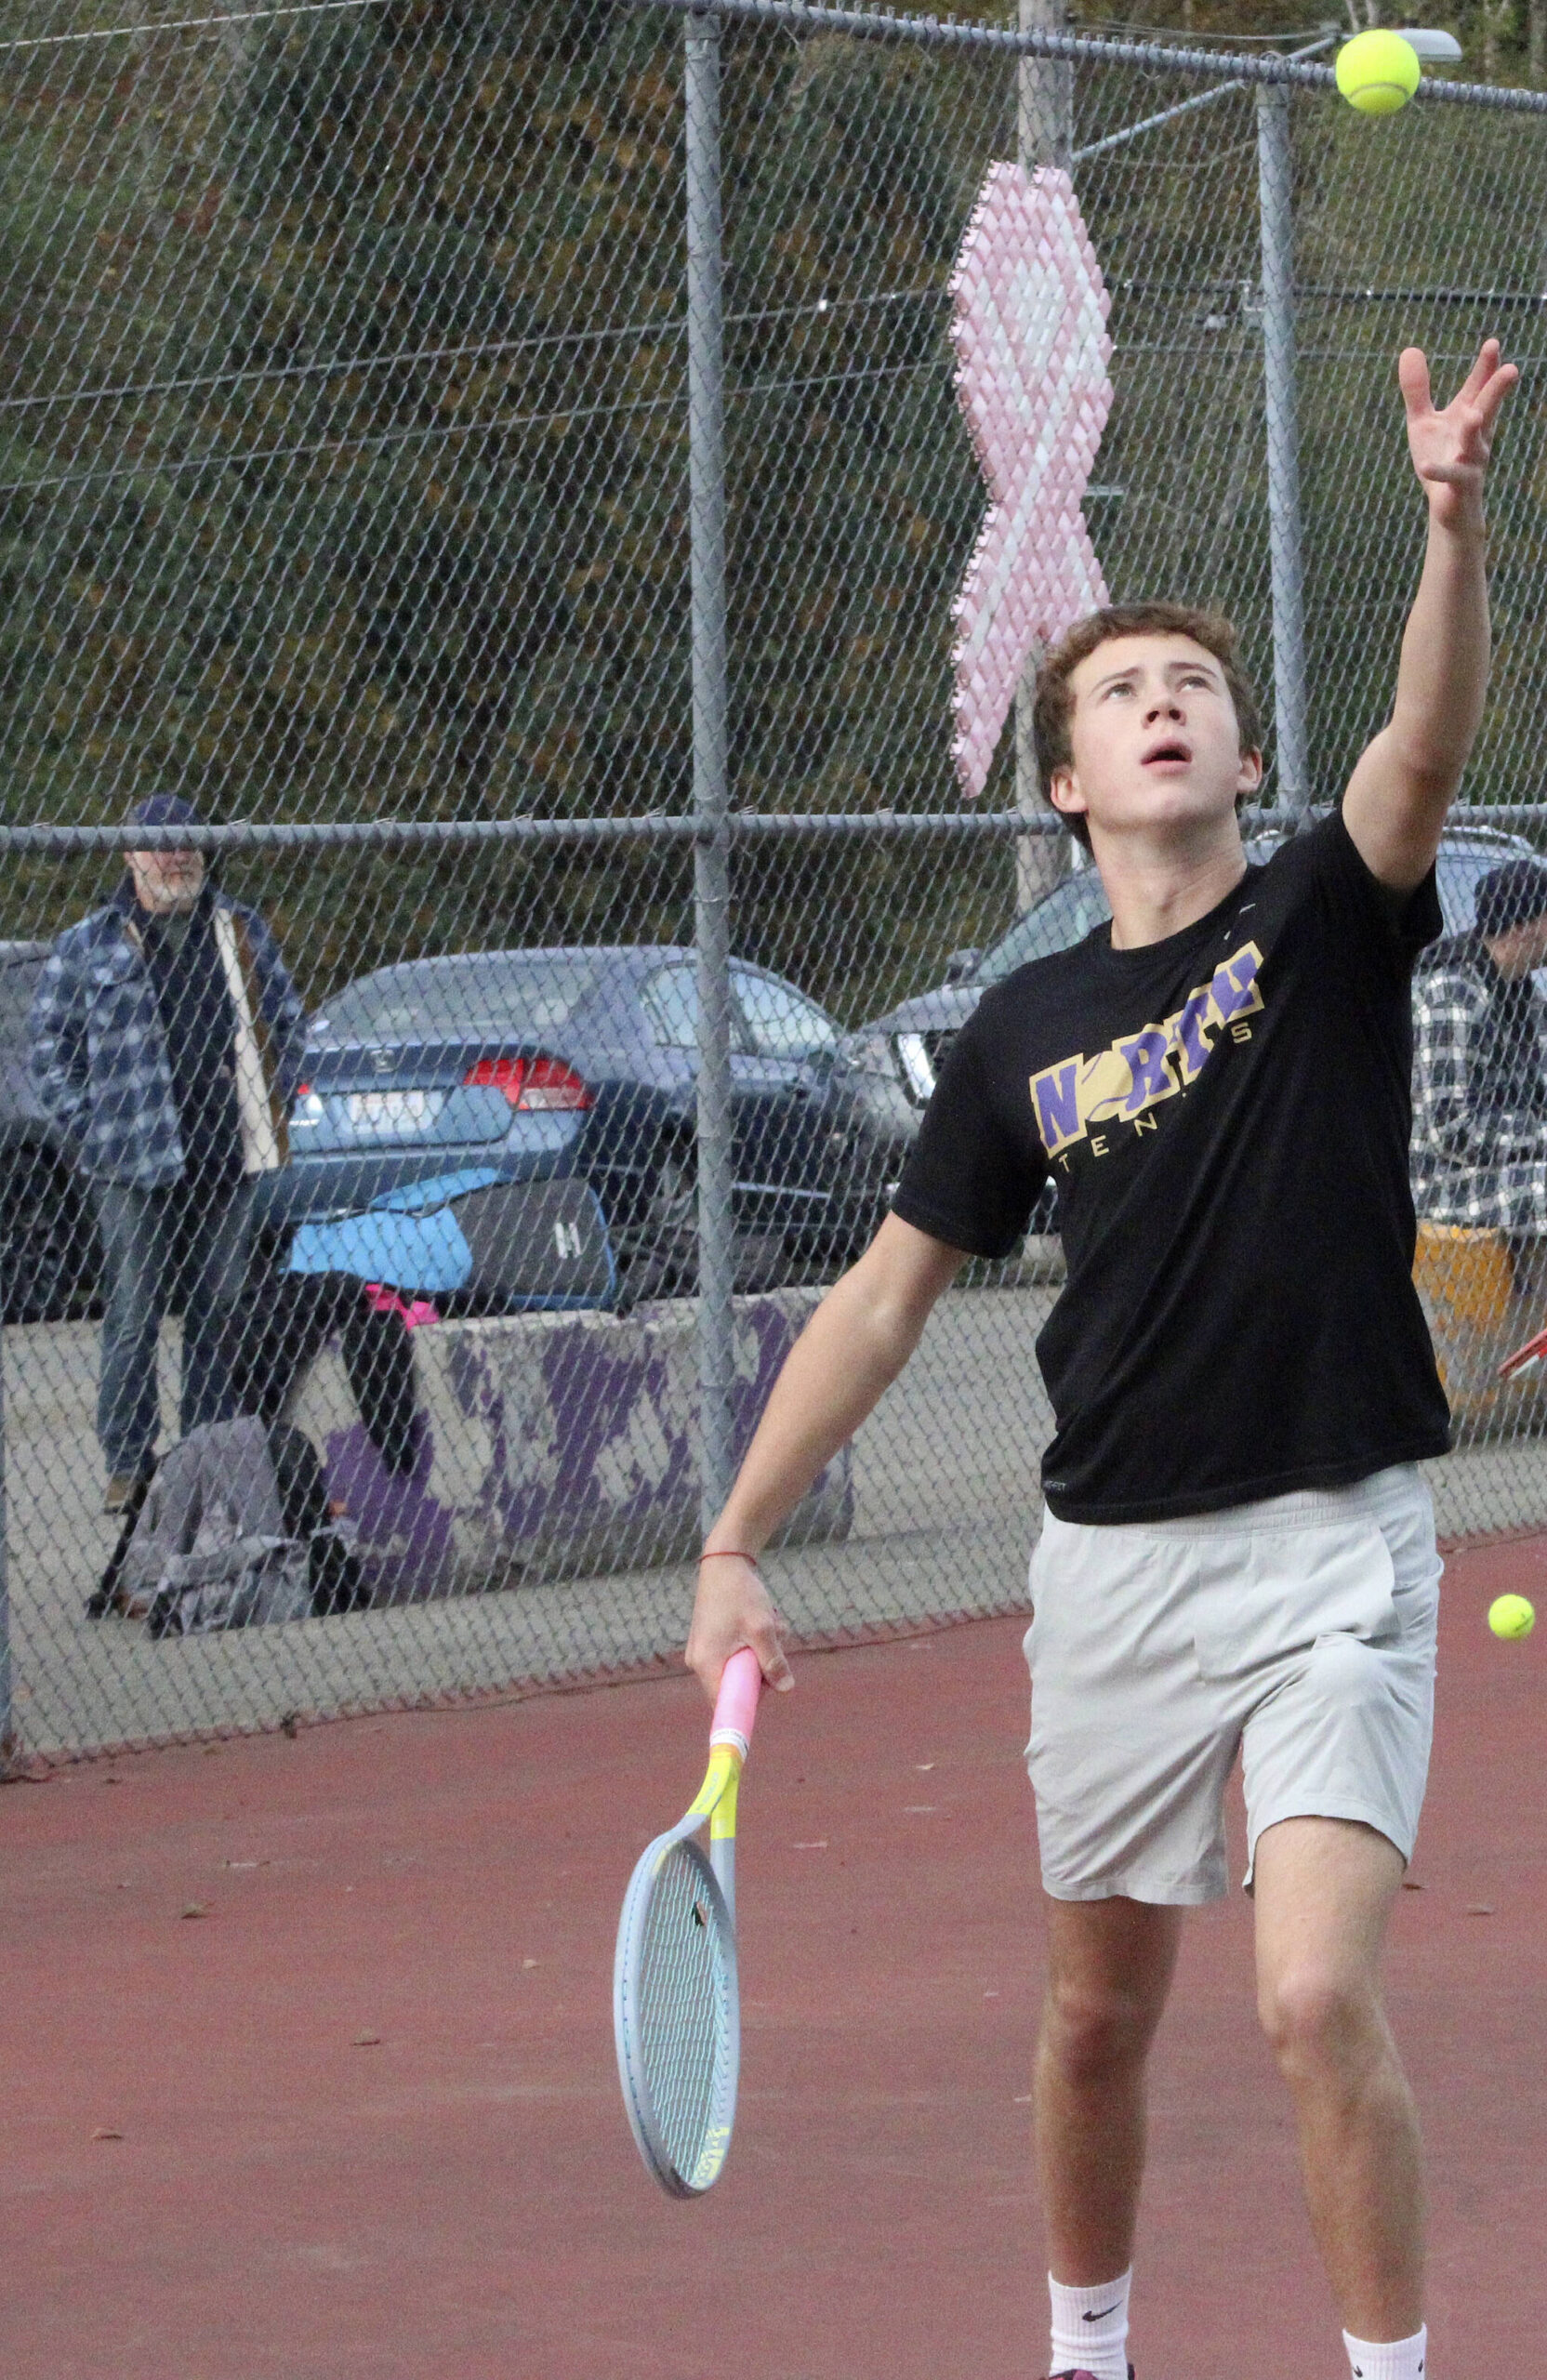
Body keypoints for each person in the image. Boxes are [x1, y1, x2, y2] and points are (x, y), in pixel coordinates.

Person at [685, 339, 1515, 2380]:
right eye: (1122, 692)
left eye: (1194, 688)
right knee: (1092, 2019)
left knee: (1312, 1998)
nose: (1164, 705)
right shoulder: (1018, 1026)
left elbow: (1420, 735)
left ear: (1239, 751)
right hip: (1115, 1567)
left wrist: (1447, 524)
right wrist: (732, 1535)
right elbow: (885, 1295)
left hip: (1335, 1546)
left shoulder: (1328, 908)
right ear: (1065, 776)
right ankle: (1086, 2347)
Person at [29, 795, 307, 1512]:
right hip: (131, 1162)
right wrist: (92, 1128)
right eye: (158, 844)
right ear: (129, 855)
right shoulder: (89, 943)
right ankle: (128, 1463)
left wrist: (272, 1097)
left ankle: (205, 1457)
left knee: (220, 1310)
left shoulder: (238, 930)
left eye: (186, 842)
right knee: (134, 1312)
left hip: (227, 1159)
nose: (175, 855)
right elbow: (48, 1052)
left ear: (204, 851)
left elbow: (285, 1018)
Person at [1411, 855, 1547, 1239]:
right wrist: (1540, 1135)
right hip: (1440, 1180)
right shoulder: (1451, 992)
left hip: (1503, 1167)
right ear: (1525, 928)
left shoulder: (1522, 992)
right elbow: (1451, 1131)